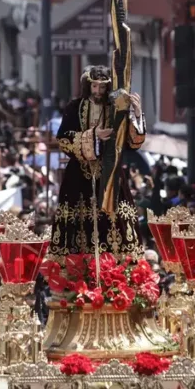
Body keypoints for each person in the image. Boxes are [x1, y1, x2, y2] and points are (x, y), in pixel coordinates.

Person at [51, 65, 146, 259]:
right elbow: (63, 139)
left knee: (115, 221)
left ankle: (118, 267)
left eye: (102, 88)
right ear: (88, 85)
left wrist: (136, 114)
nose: (98, 92)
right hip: (79, 176)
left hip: (110, 173)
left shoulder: (117, 108)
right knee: (77, 226)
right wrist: (92, 136)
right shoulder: (74, 107)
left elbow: (133, 143)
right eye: (94, 87)